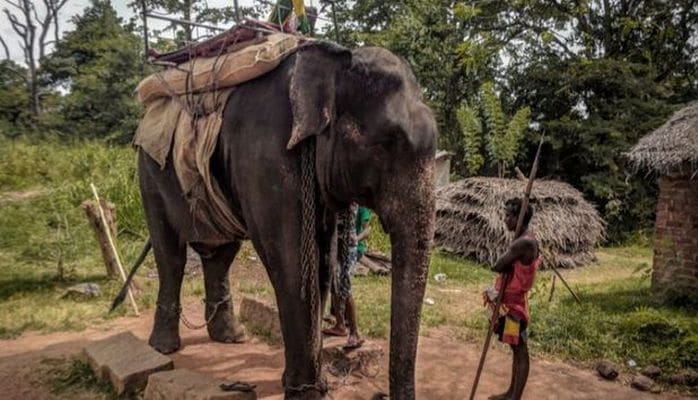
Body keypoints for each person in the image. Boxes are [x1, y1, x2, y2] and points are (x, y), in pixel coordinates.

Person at [483, 198, 540, 400]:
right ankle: (511, 393)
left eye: (508, 215)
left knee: (519, 349)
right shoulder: (524, 239)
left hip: (514, 308)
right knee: (516, 349)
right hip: (510, 304)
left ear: (518, 218)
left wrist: (507, 261)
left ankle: (515, 397)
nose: (505, 219)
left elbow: (497, 265)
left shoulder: (524, 242)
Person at [323, 203, 371, 349]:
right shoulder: (336, 200)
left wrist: (356, 238)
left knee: (345, 287)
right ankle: (340, 324)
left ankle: (355, 333)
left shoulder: (357, 204)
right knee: (334, 284)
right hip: (335, 245)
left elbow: (367, 228)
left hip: (349, 247)